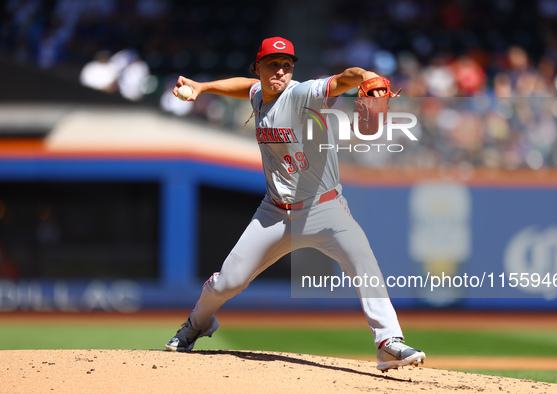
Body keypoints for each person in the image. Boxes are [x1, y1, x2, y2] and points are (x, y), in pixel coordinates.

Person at [165, 37, 426, 372]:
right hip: (273, 213)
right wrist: (203, 87)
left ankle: (388, 342)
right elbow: (245, 87)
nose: (281, 70)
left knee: (365, 266)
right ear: (258, 67)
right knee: (227, 283)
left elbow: (345, 77)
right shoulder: (259, 92)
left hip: (325, 208)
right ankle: (197, 324)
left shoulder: (302, 94)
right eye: (273, 64)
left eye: (287, 65)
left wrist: (366, 77)